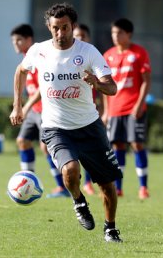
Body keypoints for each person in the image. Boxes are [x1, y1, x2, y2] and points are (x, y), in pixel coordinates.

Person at [9, 3, 123, 243]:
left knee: (106, 185)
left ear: (73, 27)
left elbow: (112, 87)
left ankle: (110, 228)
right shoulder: (39, 51)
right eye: (55, 28)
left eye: (65, 28)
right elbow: (21, 71)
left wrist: (96, 82)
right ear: (49, 28)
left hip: (89, 126)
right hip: (55, 128)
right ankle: (79, 201)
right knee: (70, 170)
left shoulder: (89, 52)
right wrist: (18, 105)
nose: (60, 33)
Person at [10, 24, 70, 199]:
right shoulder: (25, 59)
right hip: (34, 111)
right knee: (22, 141)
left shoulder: (40, 56)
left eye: (19, 40)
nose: (16, 44)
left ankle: (63, 187)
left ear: (29, 40)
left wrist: (25, 106)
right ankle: (27, 182)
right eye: (13, 41)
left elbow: (42, 88)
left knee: (46, 147)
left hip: (45, 110)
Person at [102, 18, 151, 200]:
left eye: (119, 33)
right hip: (115, 109)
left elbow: (146, 81)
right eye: (114, 33)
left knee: (137, 144)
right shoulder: (108, 55)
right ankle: (118, 187)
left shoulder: (139, 53)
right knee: (117, 146)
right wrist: (106, 111)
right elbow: (104, 87)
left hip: (133, 108)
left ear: (128, 34)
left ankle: (143, 187)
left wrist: (139, 104)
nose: (115, 36)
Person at [73, 24, 96, 196]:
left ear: (87, 38)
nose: (79, 39)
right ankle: (81, 183)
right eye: (76, 36)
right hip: (72, 114)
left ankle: (88, 182)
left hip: (92, 113)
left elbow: (104, 89)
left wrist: (105, 110)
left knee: (90, 151)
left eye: (82, 36)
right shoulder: (66, 60)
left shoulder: (92, 58)